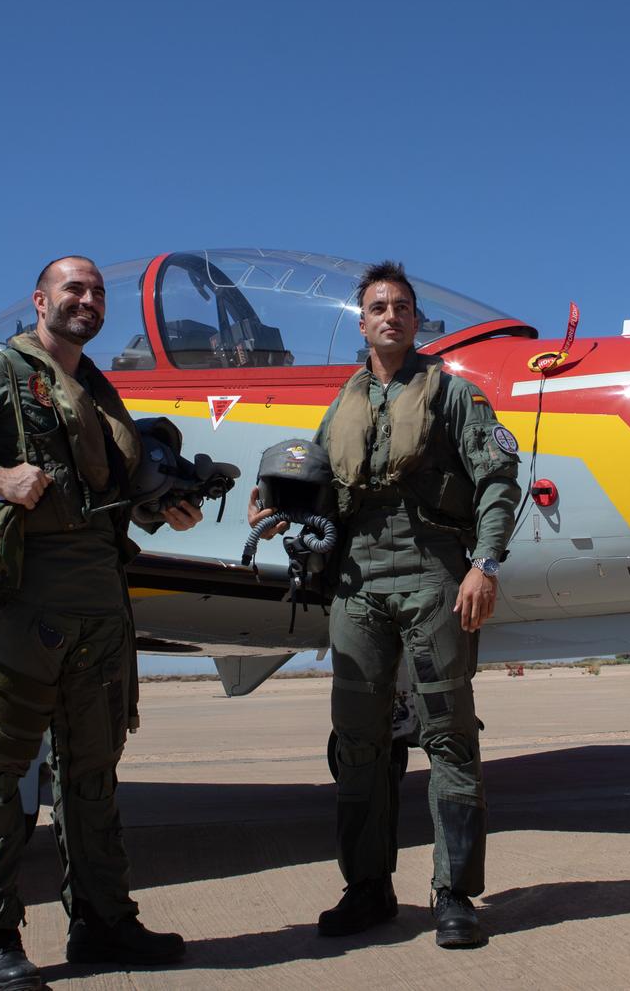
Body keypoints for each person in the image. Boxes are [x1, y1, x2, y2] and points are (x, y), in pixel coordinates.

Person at [0, 256, 201, 991]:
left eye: (96, 292)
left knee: (92, 776)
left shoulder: (97, 389)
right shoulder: (0, 372)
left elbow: (104, 492)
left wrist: (164, 507)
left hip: (102, 605)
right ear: (41, 300)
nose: (89, 300)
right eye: (74, 289)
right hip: (29, 603)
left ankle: (102, 920)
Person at [252, 261, 520, 949]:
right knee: (358, 742)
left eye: (402, 305)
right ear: (363, 320)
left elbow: (496, 479)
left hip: (433, 570)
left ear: (415, 319)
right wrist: (278, 508)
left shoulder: (454, 396)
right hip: (356, 584)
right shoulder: (341, 405)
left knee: (449, 733)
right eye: (378, 306)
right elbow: (316, 484)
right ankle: (366, 888)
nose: (391, 315)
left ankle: (454, 894)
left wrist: (484, 563)